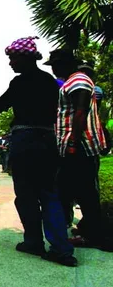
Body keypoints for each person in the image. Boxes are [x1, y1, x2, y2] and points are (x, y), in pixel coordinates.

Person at [0, 36, 77, 267]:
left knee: (26, 195)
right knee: (49, 194)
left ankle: (33, 242)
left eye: (13, 58)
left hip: (25, 142)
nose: (10, 63)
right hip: (48, 141)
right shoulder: (51, 82)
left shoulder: (19, 83)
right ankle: (62, 250)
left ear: (27, 58)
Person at [44, 49, 109, 250]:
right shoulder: (72, 81)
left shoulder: (78, 80)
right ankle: (88, 231)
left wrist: (72, 142)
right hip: (74, 146)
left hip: (79, 147)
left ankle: (94, 236)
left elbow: (80, 112)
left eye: (56, 65)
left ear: (66, 64)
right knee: (77, 191)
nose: (54, 69)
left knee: (83, 193)